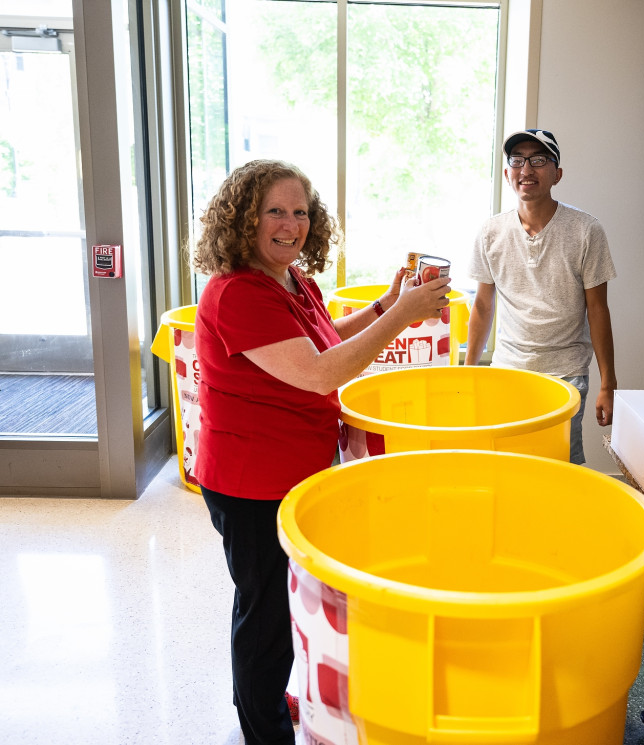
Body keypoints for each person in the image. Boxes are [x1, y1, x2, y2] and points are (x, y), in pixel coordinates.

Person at [191, 159, 450, 745]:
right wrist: (407, 316)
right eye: (274, 212)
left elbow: (327, 339)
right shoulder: (235, 293)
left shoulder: (291, 280)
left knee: (281, 604)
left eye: (300, 212)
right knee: (263, 617)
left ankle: (268, 701)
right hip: (250, 482)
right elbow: (319, 372)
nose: (291, 225)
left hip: (293, 474)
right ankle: (264, 729)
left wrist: (388, 305)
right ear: (243, 219)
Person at [465, 129, 617, 465]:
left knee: (560, 464)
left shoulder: (586, 230)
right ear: (507, 174)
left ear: (557, 173)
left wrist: (609, 384)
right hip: (508, 370)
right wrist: (468, 370)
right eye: (517, 161)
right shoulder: (491, 232)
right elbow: (482, 305)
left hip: (566, 373)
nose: (526, 169)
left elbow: (598, 309)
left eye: (538, 160)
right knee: (505, 463)